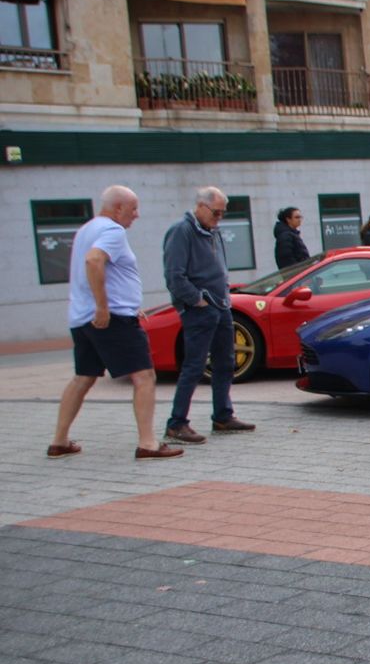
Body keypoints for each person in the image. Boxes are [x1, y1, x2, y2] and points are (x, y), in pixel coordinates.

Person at [48, 186, 183, 461]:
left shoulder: (86, 229)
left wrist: (125, 304)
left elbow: (105, 272)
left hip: (83, 317)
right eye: (133, 209)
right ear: (118, 208)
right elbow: (94, 261)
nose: (137, 215)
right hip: (110, 319)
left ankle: (59, 442)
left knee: (83, 377)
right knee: (144, 376)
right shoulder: (113, 231)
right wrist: (104, 307)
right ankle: (148, 444)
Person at [163, 186, 255, 445]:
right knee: (194, 366)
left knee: (226, 362)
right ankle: (177, 423)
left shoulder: (212, 231)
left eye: (223, 213)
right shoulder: (181, 231)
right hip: (200, 309)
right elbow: (174, 276)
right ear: (201, 207)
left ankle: (223, 416)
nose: (219, 218)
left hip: (221, 305)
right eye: (216, 212)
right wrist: (198, 300)